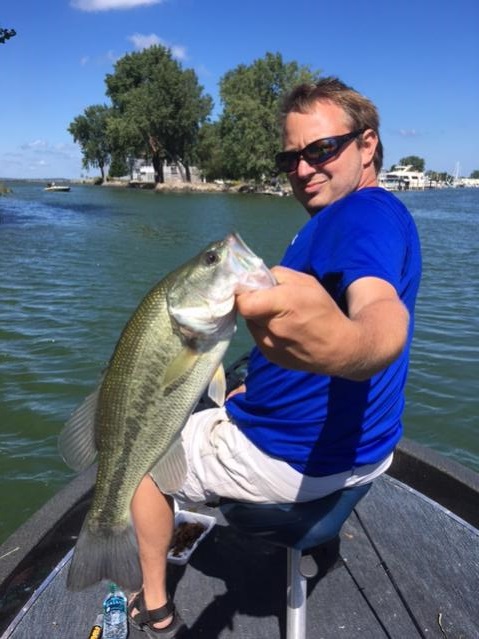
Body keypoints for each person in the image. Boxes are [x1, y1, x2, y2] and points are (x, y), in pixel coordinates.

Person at [128, 76, 422, 636]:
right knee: (220, 393)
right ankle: (321, 540)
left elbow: (379, 314)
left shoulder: (361, 218)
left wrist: (352, 348)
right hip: (364, 451)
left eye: (322, 150)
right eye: (291, 159)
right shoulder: (367, 216)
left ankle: (155, 606)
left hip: (292, 460)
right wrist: (259, 388)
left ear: (367, 144)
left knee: (137, 455)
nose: (303, 169)